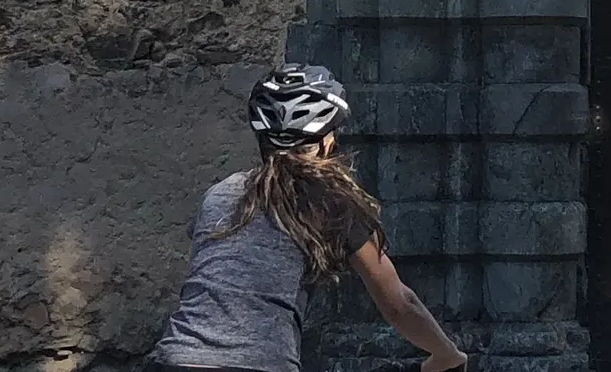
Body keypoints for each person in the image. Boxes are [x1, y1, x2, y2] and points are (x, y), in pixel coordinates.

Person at [147, 63, 469, 372]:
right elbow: (399, 305)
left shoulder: (219, 194)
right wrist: (446, 354)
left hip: (171, 359)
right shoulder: (330, 202)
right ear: (325, 142)